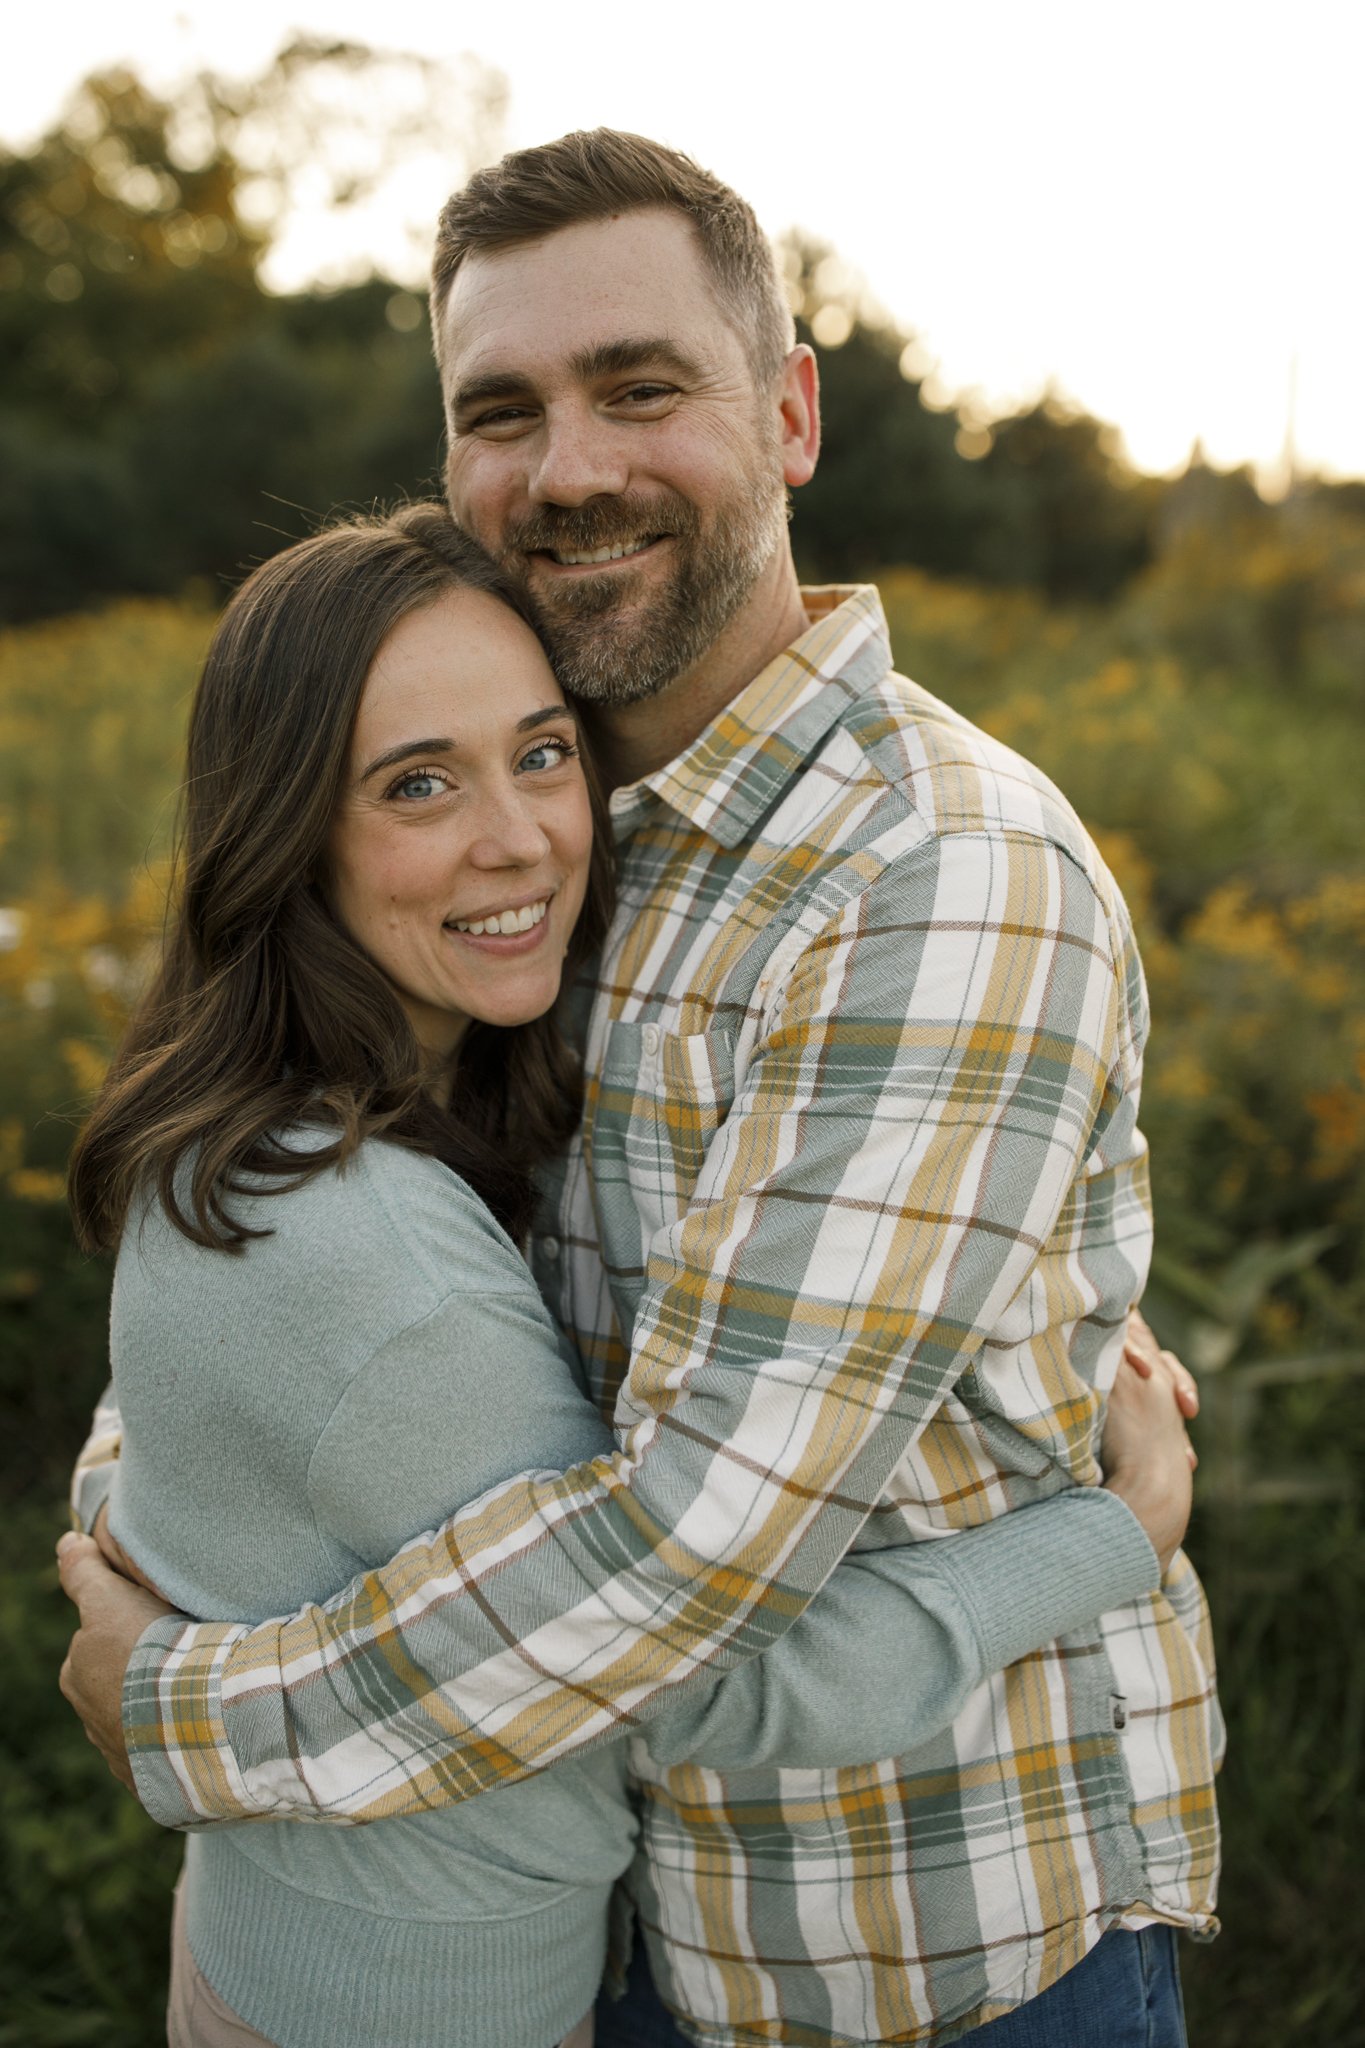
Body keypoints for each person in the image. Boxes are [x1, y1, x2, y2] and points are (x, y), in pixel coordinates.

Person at [59, 132, 1221, 2047]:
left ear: (786, 416)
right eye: (499, 410)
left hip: (898, 1954)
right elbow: (312, 1241)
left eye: (640, 387)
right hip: (578, 1922)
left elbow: (690, 1561)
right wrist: (153, 1497)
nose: (570, 466)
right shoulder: (557, 830)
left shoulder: (933, 876)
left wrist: (195, 1700)